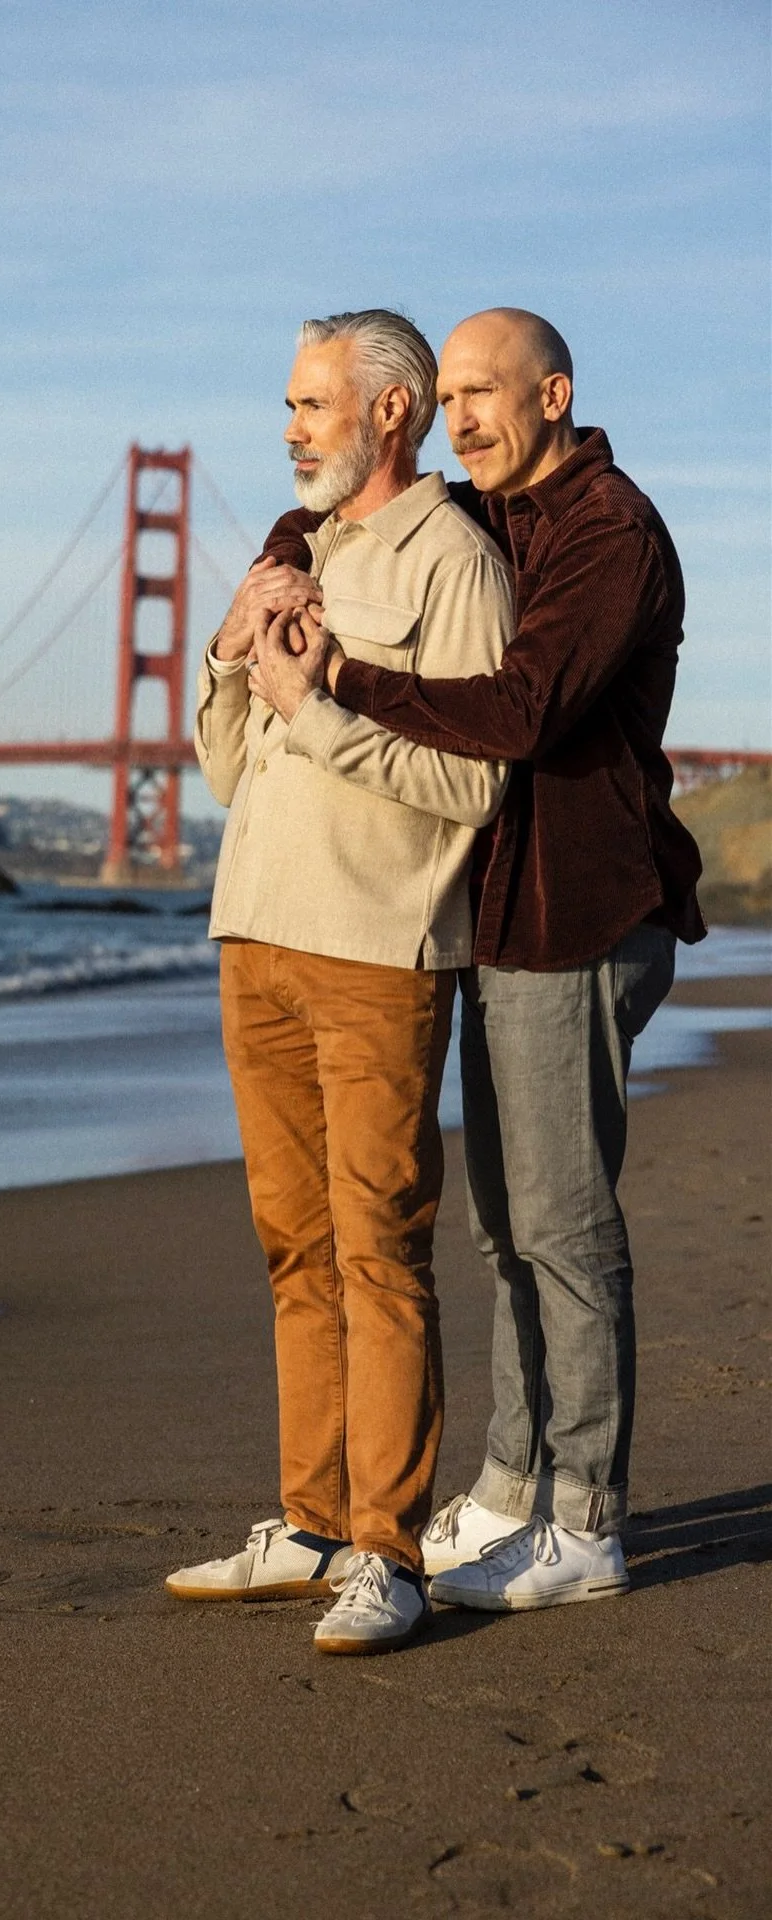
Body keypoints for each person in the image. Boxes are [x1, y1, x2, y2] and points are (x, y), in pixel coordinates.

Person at [279, 307, 705, 1610]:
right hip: (501, 918)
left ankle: (588, 1519)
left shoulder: (607, 528)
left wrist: (341, 674)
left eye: (485, 391)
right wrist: (280, 565)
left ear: (555, 392)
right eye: (448, 394)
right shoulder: (494, 512)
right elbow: (348, 500)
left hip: (582, 915)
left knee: (565, 1224)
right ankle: (514, 1485)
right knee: (501, 1223)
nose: (460, 414)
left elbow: (521, 711)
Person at [165, 309, 512, 1654]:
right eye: (289, 406)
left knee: (379, 1252)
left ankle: (392, 1553)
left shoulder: (456, 562)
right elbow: (228, 772)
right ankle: (311, 1525)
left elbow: (474, 783)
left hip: (377, 951)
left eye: (311, 405)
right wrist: (230, 651)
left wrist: (323, 711)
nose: (290, 428)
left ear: (390, 413)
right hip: (253, 935)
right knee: (292, 1247)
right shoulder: (293, 553)